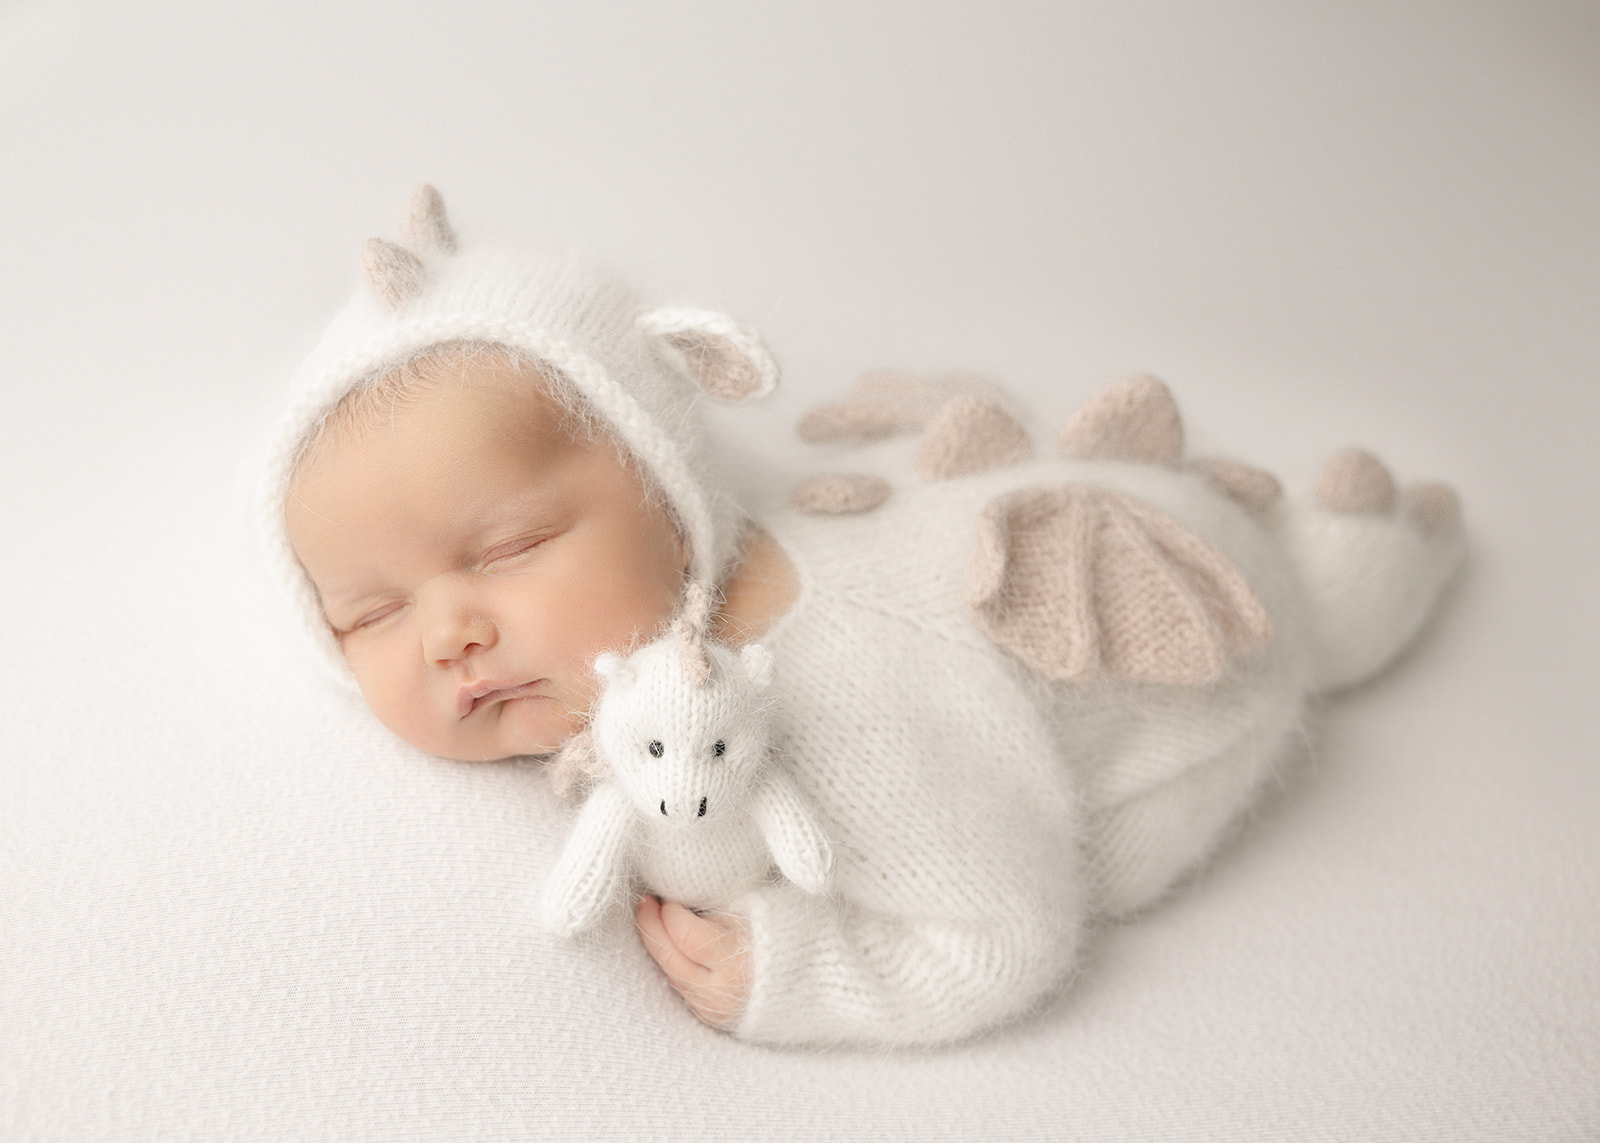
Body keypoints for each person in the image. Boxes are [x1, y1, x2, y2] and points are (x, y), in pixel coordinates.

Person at [262, 187, 1464, 1047]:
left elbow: (1001, 933)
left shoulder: (839, 702)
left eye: (509, 546)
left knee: (1310, 624)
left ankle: (1360, 560)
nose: (446, 635)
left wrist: (805, 971)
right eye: (366, 613)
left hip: (1199, 684)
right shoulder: (645, 655)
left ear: (669, 495)